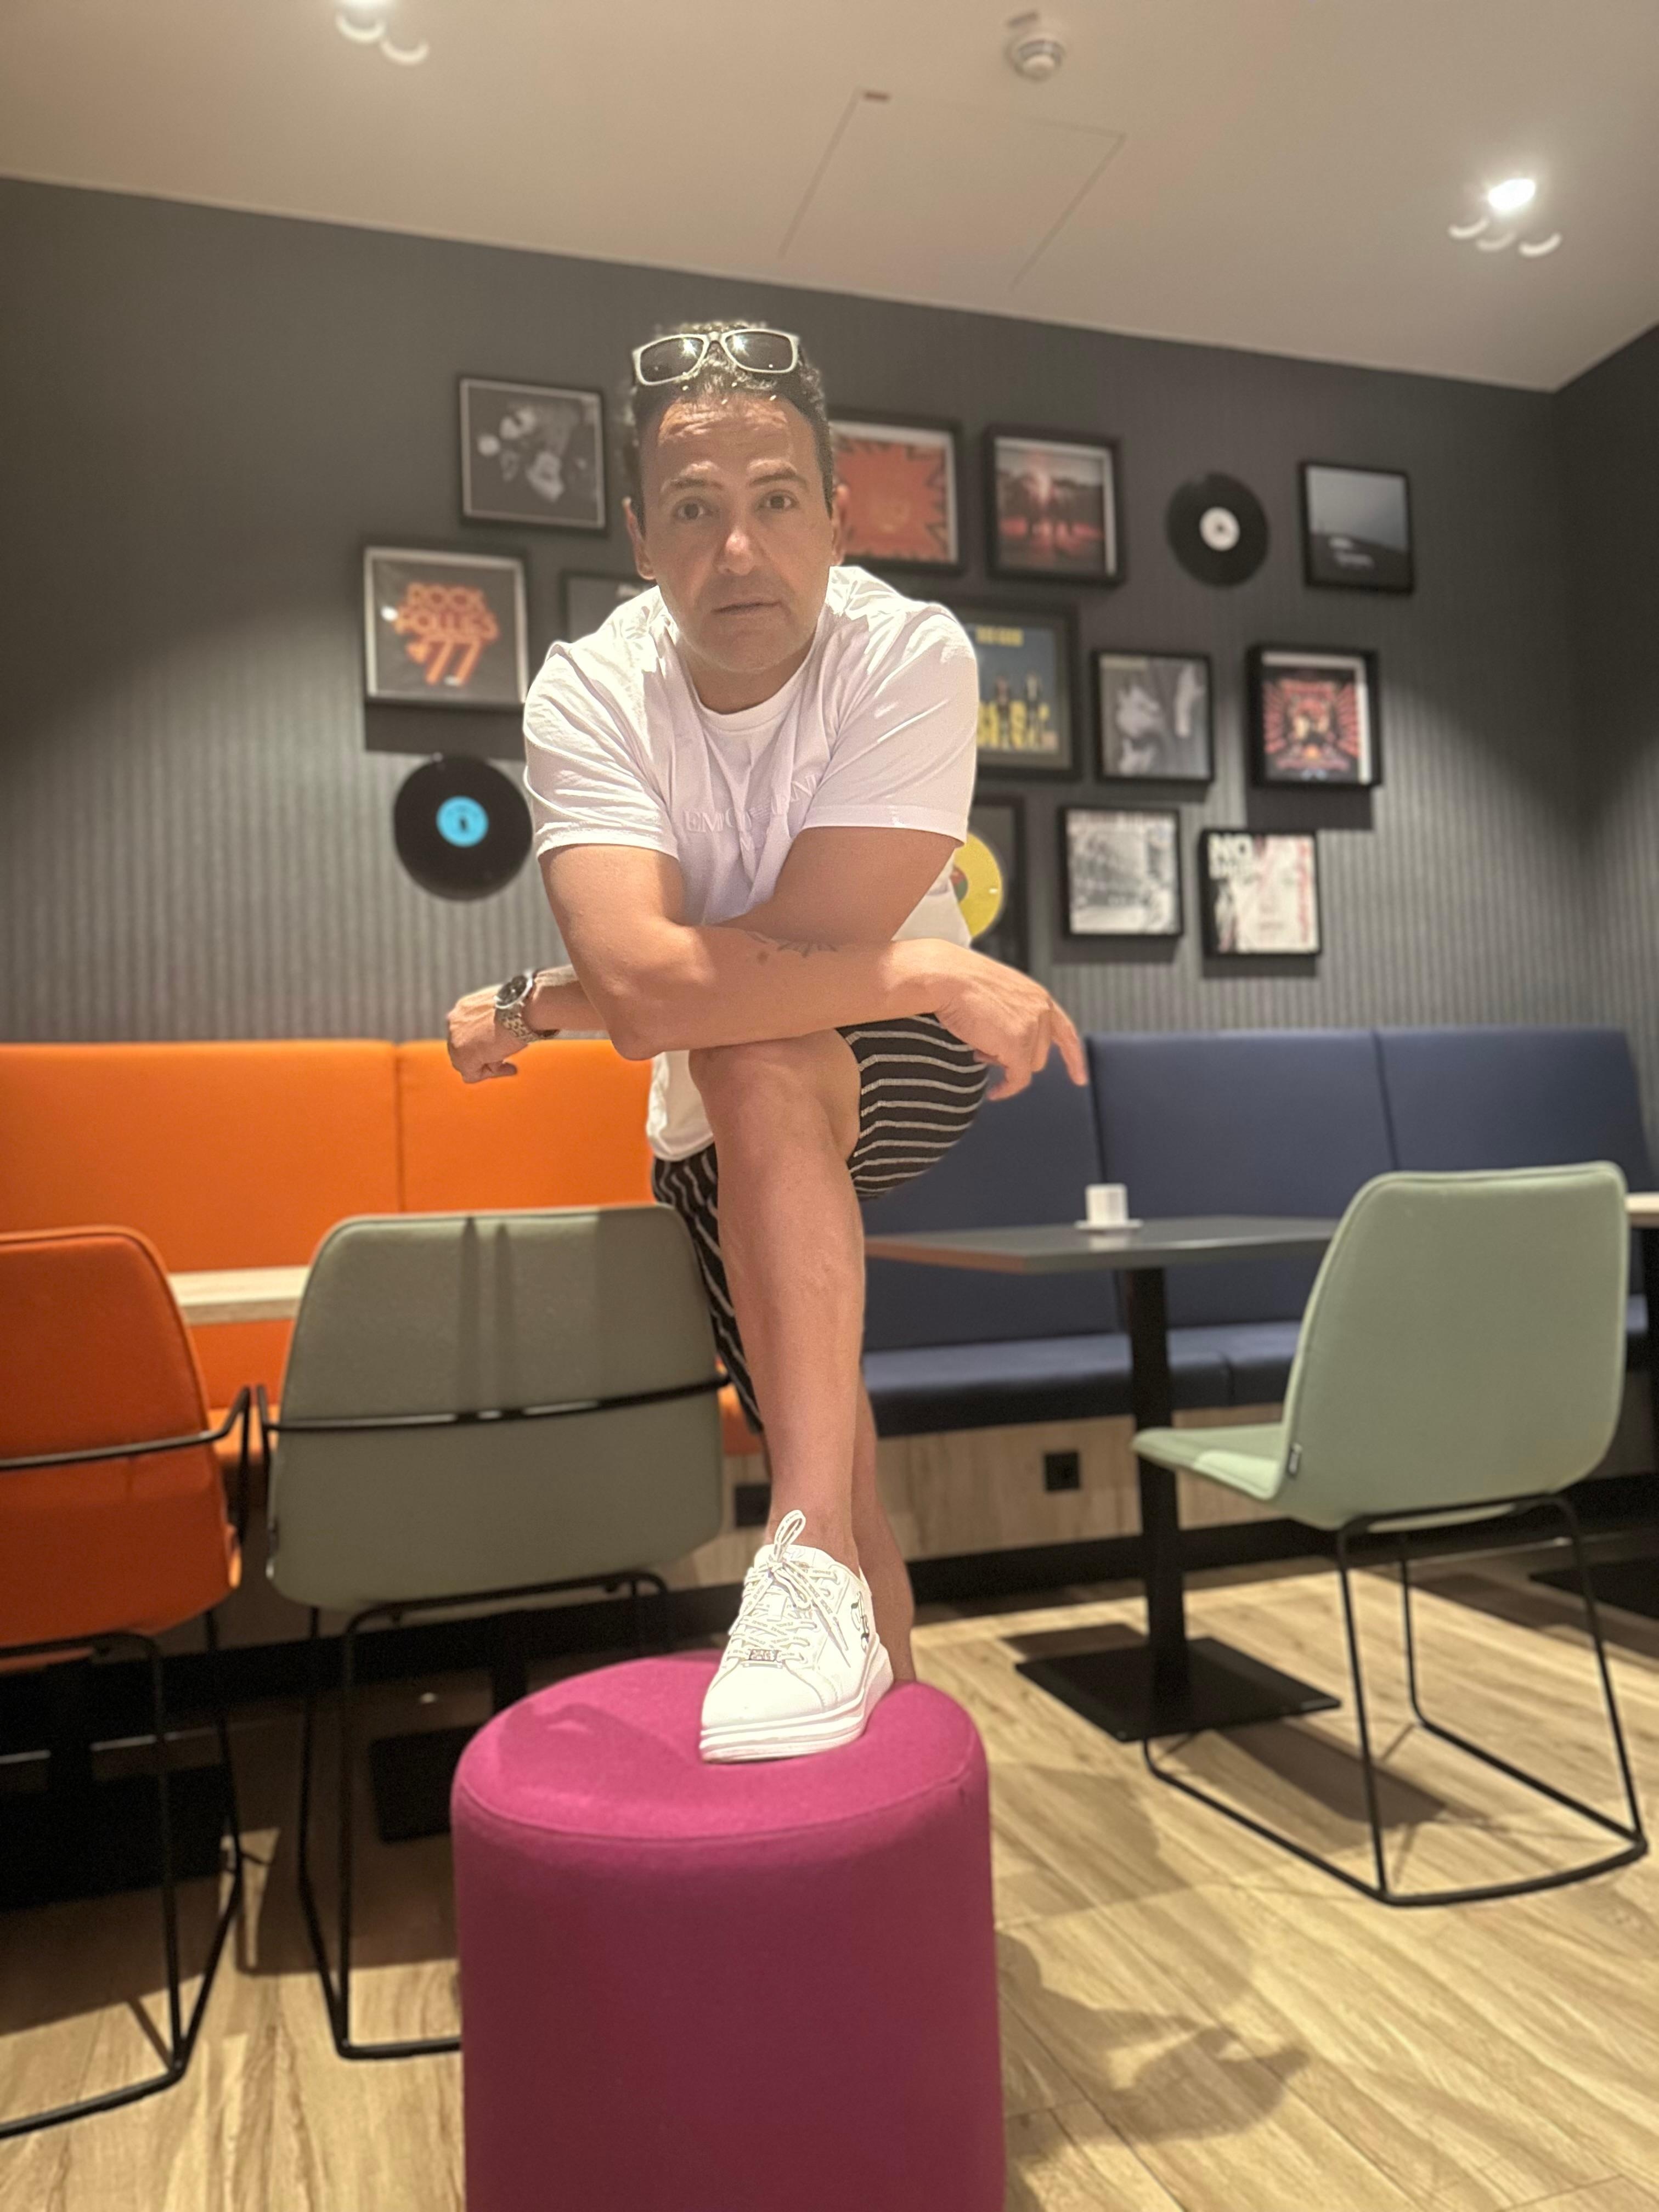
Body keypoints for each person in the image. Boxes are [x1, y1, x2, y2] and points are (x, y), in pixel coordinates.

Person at [445, 320, 1085, 1763]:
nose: (738, 548)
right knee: (846, 1476)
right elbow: (653, 994)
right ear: (641, 539)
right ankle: (884, 1753)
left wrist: (543, 1006)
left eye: (777, 499)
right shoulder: (589, 689)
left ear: (838, 518)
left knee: (759, 1055)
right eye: (693, 509)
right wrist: (928, 959)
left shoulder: (906, 654)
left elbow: (751, 988)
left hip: (896, 1051)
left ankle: (791, 1558)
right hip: (740, 1101)